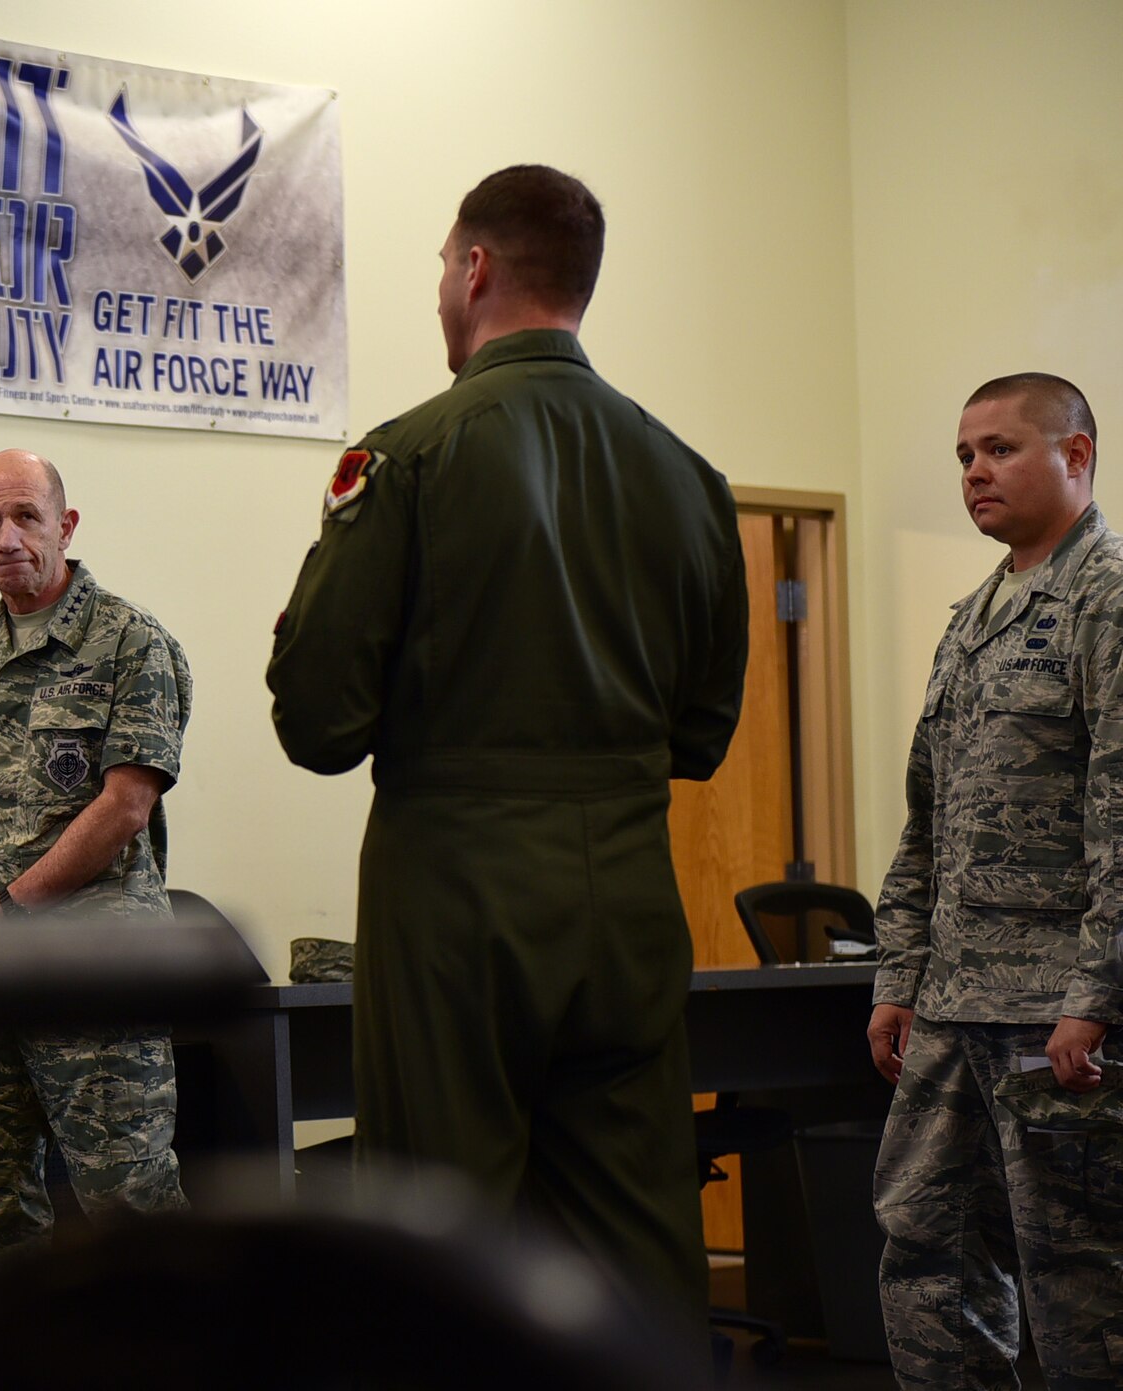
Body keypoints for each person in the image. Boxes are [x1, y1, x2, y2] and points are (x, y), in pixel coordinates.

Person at [266, 165, 747, 1316]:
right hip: (626, 887)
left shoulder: (407, 454)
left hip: (456, 894)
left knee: (443, 1234)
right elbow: (702, 732)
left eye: (442, 264)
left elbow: (318, 724)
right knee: (636, 1234)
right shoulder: (688, 477)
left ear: (474, 268)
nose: (439, 288)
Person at [867, 373, 1123, 1388]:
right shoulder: (972, 616)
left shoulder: (1103, 604)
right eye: (964, 454)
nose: (974, 470)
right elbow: (924, 822)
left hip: (1053, 1019)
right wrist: (897, 978)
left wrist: (1095, 995)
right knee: (924, 1252)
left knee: (1078, 1279)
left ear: (1074, 455)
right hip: (950, 1008)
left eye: (1000, 448)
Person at [0, 448, 192, 1279]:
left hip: (92, 971)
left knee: (130, 1205)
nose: (8, 536)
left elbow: (125, 804)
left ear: (65, 524)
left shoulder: (132, 642)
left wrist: (12, 911)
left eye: (27, 514)